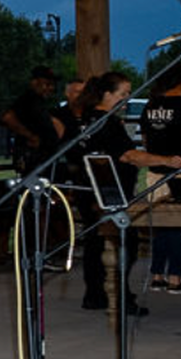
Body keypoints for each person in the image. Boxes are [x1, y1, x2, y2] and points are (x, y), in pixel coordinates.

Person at [68, 71, 151, 313]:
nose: (127, 98)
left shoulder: (86, 119)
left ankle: (96, 293)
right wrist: (167, 160)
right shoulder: (107, 122)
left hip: (88, 188)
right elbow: (128, 155)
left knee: (95, 241)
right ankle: (119, 296)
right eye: (123, 93)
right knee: (125, 242)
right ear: (106, 94)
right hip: (107, 192)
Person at [139, 62, 181, 292]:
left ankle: (157, 274)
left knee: (161, 224)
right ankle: (175, 278)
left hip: (155, 171)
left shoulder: (150, 106)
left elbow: (146, 142)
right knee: (179, 224)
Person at [3, 65, 65, 176]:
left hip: (44, 156)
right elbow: (8, 117)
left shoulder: (39, 102)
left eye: (52, 85)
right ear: (34, 82)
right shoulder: (27, 99)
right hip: (32, 156)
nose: (50, 88)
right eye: (47, 84)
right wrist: (30, 136)